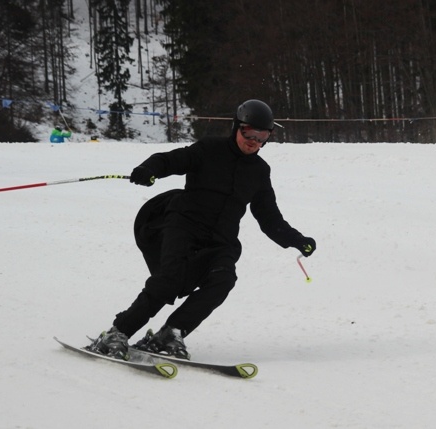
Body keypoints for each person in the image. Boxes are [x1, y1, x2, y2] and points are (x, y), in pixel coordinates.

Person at [87, 99, 317, 360]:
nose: (254, 141)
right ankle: (117, 333)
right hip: (184, 226)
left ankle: (171, 332)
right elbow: (172, 160)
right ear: (236, 128)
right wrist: (148, 169)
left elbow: (268, 217)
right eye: (248, 133)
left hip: (222, 239)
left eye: (262, 136)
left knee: (223, 280)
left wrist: (297, 240)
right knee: (168, 281)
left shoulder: (260, 172)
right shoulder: (210, 149)